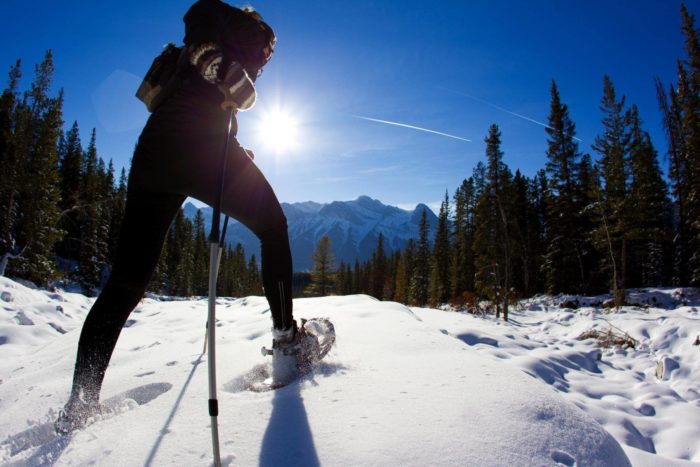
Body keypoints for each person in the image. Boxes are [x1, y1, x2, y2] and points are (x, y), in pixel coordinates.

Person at [55, 0, 307, 433]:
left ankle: (80, 404)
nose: (264, 61)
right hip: (200, 153)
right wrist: (224, 69)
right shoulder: (228, 28)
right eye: (266, 53)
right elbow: (200, 14)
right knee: (274, 228)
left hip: (154, 155)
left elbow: (202, 97)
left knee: (125, 282)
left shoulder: (219, 49)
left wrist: (233, 142)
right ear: (259, 37)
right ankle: (287, 342)